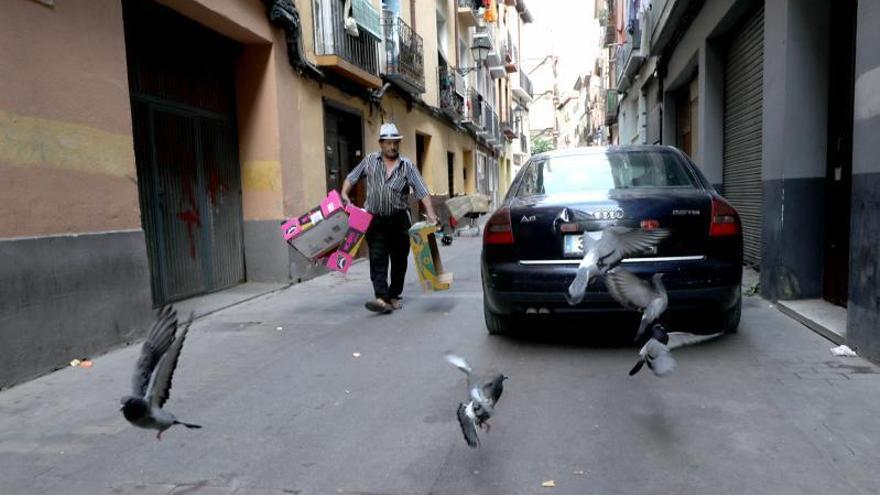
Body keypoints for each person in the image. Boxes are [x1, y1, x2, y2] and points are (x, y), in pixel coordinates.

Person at [341, 123, 438, 314]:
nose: (392, 147)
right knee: (378, 258)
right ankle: (382, 298)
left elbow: (421, 190)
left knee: (399, 259)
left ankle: (394, 295)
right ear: (381, 143)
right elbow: (352, 177)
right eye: (388, 143)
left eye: (395, 143)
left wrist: (432, 212)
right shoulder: (370, 161)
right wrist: (344, 194)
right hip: (374, 220)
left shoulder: (407, 165)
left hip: (399, 220)